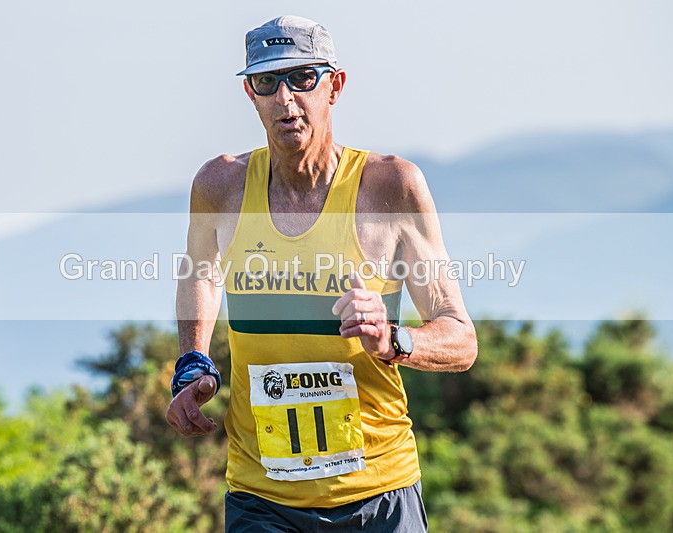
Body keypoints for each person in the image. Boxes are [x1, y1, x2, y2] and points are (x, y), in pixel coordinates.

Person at [166, 15, 477, 532]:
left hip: (377, 493)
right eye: (268, 82)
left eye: (303, 78)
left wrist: (393, 338)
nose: (286, 99)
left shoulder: (392, 186)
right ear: (250, 93)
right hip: (261, 495)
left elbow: (460, 339)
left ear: (335, 84)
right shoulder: (220, 185)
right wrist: (192, 362)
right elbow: (201, 272)